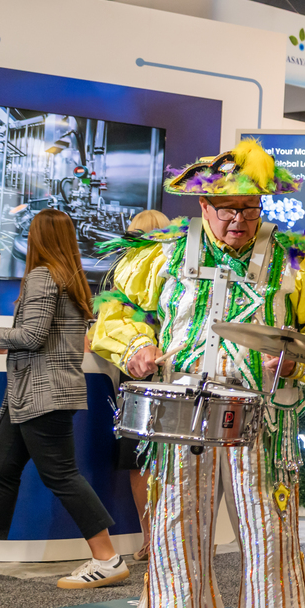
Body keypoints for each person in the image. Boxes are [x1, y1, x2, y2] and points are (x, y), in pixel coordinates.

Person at [90, 138, 305, 608]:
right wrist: (137, 346)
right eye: (225, 208)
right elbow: (117, 311)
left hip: (261, 418)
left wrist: (297, 357)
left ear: (262, 206)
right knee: (172, 538)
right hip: (179, 415)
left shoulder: (301, 259)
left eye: (248, 207)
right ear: (202, 208)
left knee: (267, 536)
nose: (236, 218)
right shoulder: (161, 254)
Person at [0, 210, 128, 590]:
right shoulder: (70, 278)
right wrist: (3, 342)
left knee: (62, 476)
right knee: (1, 473)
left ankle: (108, 558)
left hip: (40, 393)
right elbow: (47, 340)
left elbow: (33, 336)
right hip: (39, 392)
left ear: (37, 238)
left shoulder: (42, 276)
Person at [105, 208, 170, 564]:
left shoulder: (128, 276)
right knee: (157, 463)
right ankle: (162, 539)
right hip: (163, 379)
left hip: (142, 381)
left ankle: (151, 539)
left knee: (142, 464)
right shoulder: (174, 273)